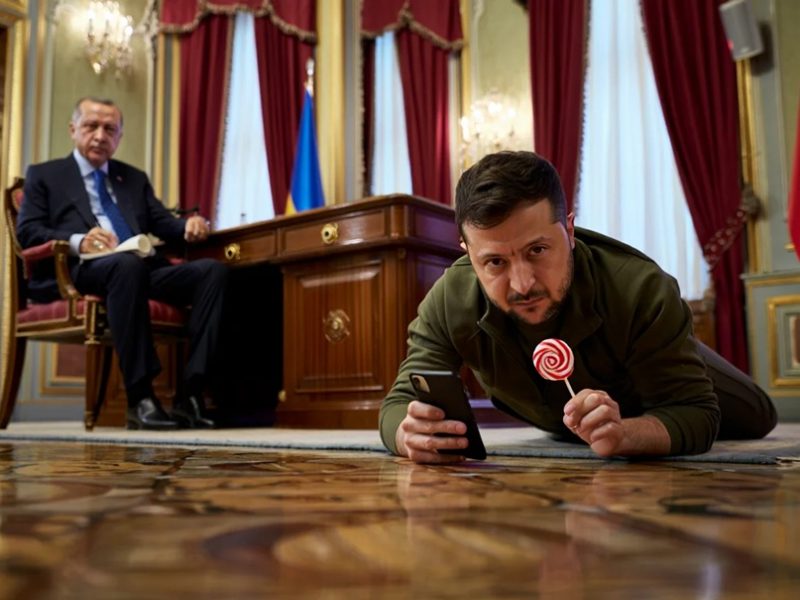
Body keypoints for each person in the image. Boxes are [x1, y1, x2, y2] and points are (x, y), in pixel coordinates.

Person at [380, 150, 777, 463]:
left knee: (759, 416)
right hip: (563, 420)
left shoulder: (640, 290)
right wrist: (408, 434)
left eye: (537, 250)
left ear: (569, 231)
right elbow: (396, 404)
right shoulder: (450, 298)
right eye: (495, 262)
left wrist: (626, 434)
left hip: (655, 361)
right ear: (468, 253)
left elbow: (696, 413)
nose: (523, 284)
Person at [17, 96, 228, 431]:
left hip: (139, 267)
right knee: (125, 267)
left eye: (109, 129)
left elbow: (162, 222)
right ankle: (140, 396)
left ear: (119, 137)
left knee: (211, 272)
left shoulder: (132, 178)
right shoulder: (45, 175)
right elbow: (28, 232)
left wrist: (188, 224)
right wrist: (78, 240)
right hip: (81, 270)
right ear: (73, 129)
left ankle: (190, 393)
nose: (100, 135)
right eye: (91, 126)